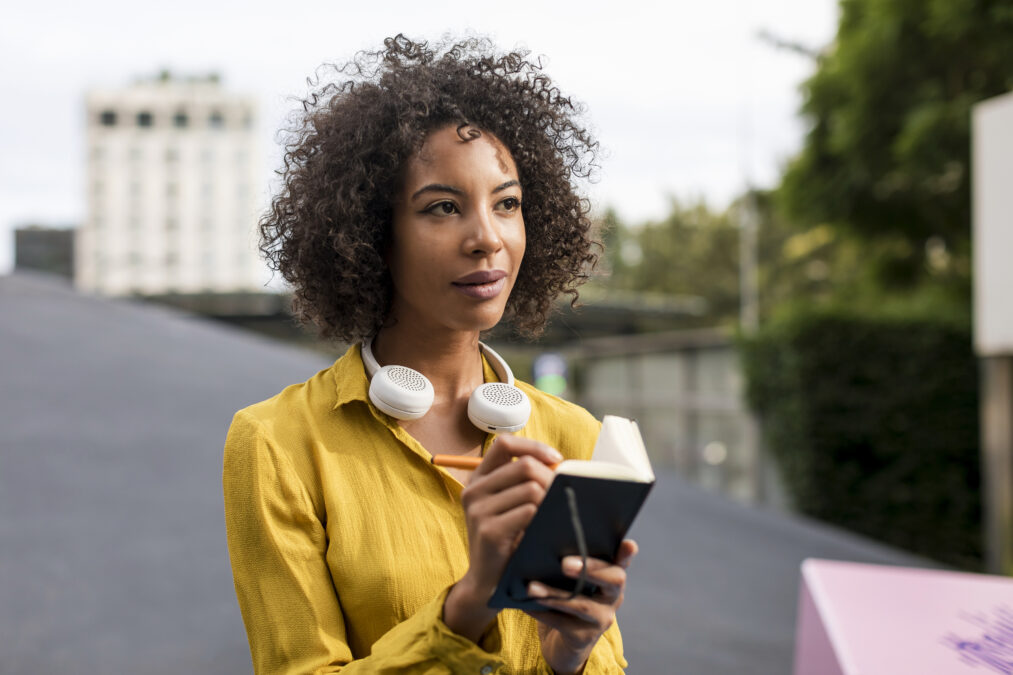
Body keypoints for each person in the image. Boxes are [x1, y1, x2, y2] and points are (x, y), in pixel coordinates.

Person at [223, 34, 638, 674]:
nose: (487, 239)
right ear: (369, 234)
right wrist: (466, 609)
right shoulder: (278, 444)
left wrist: (573, 655)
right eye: (443, 207)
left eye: (507, 204)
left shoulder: (572, 437)